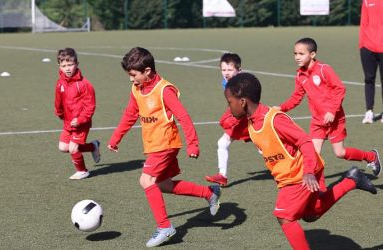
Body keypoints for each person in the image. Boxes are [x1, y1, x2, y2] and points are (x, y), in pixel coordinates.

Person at [225, 72, 377, 250]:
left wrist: (309, 172)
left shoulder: (275, 120)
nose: (229, 108)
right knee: (312, 213)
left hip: (300, 174)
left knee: (285, 216)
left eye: (230, 103)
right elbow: (228, 124)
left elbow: (305, 141)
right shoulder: (251, 122)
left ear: (242, 102)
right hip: (288, 177)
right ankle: (352, 180)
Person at [107, 47, 221, 248]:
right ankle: (209, 193)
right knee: (163, 185)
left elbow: (183, 116)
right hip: (153, 145)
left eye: (133, 75)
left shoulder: (164, 90)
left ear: (147, 71)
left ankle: (165, 226)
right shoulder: (137, 89)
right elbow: (130, 114)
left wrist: (193, 144)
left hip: (166, 144)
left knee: (146, 180)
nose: (131, 79)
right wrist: (116, 137)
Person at [276, 38, 381, 177]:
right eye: (295, 53)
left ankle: (371, 156)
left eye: (301, 54)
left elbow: (340, 89)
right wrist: (281, 108)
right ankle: (313, 186)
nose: (297, 57)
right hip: (317, 121)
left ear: (312, 54)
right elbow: (296, 97)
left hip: (335, 120)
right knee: (313, 154)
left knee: (340, 153)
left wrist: (332, 111)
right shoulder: (300, 75)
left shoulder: (324, 69)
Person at [54, 48, 100, 180]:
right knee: (63, 147)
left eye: (70, 65)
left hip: (81, 123)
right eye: (64, 66)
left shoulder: (84, 85)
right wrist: (59, 112)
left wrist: (80, 120)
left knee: (73, 148)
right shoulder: (60, 82)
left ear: (77, 64)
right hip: (68, 122)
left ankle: (82, 171)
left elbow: (90, 106)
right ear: (59, 66)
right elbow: (58, 100)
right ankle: (93, 146)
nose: (67, 68)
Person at [205, 53, 250, 186]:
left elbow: (245, 106)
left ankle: (288, 167)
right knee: (222, 143)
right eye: (223, 70)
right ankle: (222, 176)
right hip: (240, 117)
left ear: (239, 70)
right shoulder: (227, 82)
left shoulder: (242, 85)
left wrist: (231, 119)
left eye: (230, 70)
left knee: (264, 147)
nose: (226, 73)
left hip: (249, 119)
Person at [359, 0, 383, 124]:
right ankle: (369, 112)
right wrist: (362, 45)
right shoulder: (367, 1)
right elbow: (364, 22)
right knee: (369, 79)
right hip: (367, 47)